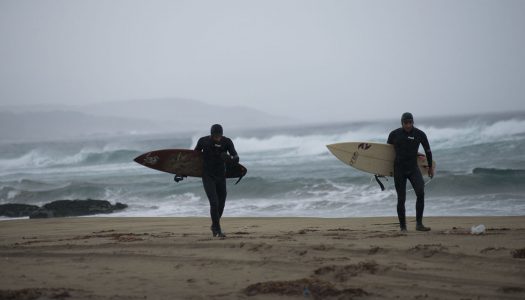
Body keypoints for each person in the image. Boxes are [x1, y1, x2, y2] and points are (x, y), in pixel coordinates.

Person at [387, 112, 434, 232]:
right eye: (405, 123)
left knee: (420, 192)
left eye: (410, 122)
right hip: (399, 169)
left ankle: (419, 224)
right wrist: (382, 170)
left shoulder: (420, 134)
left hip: (413, 168)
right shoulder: (394, 134)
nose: (408, 125)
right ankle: (403, 227)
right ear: (402, 123)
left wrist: (430, 167)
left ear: (413, 122)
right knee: (401, 199)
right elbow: (386, 154)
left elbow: (428, 151)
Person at [194, 124, 239, 238]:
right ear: (211, 134)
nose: (217, 138)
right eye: (215, 136)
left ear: (222, 135)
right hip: (208, 176)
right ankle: (217, 230)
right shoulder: (203, 141)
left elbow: (236, 157)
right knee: (214, 202)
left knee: (221, 203)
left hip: (221, 176)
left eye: (219, 136)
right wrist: (181, 172)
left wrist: (229, 159)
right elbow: (193, 158)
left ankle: (214, 225)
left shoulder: (227, 142)